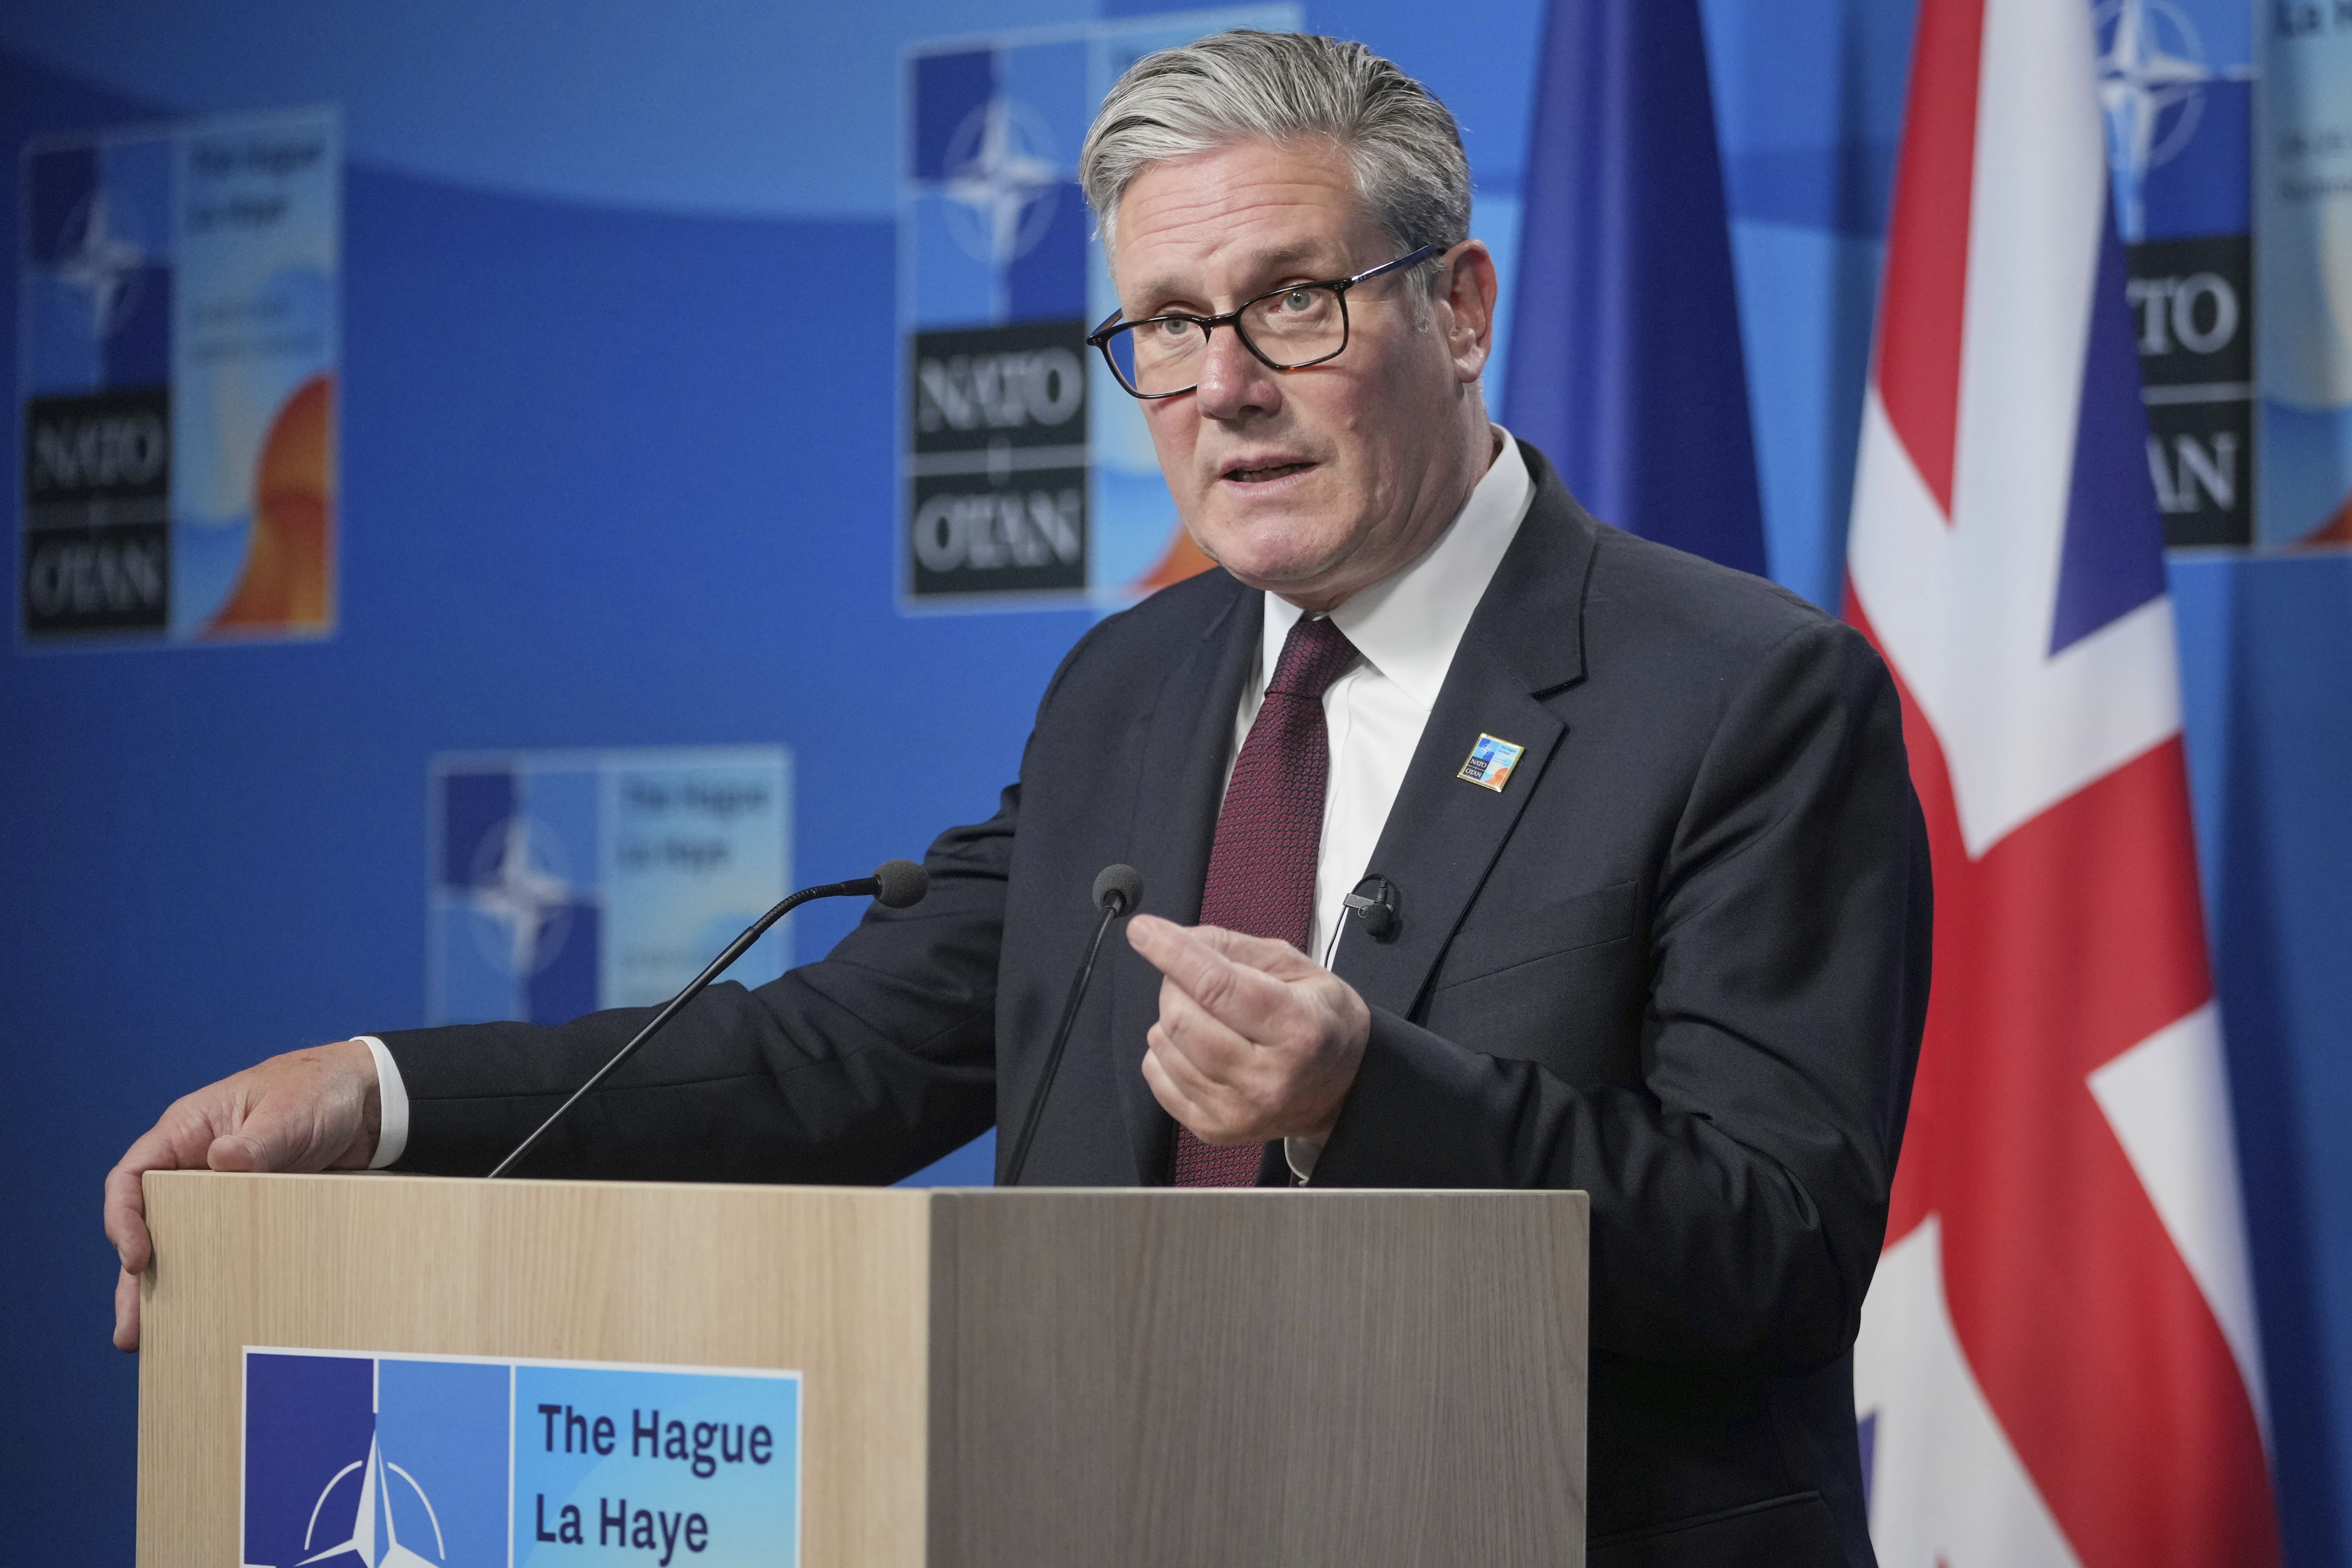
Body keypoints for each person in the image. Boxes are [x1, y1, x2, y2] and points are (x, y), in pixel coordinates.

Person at [104, 31, 1928, 1568]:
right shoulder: (1129, 686)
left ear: (1456, 308)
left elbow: (1768, 1246)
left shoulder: (1740, 694)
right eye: (1163, 326)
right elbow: (838, 1061)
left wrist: (1365, 1095)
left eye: (1290, 303)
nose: (1223, 390)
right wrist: (382, 1098)